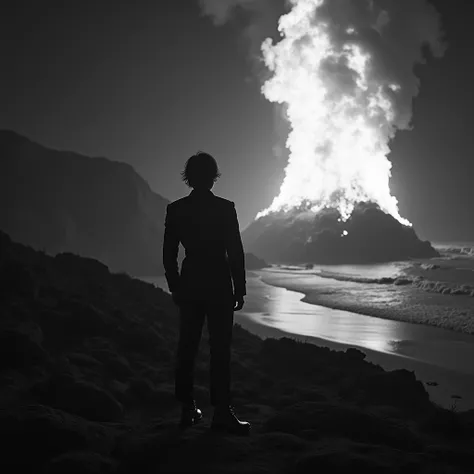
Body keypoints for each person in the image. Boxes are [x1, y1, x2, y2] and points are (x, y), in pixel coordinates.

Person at [163, 151, 250, 435]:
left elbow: (169, 254)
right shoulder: (225, 208)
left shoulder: (176, 209)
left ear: (189, 177)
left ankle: (188, 408)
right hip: (219, 283)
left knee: (187, 346)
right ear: (213, 177)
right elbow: (235, 251)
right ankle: (221, 412)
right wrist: (240, 287)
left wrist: (175, 285)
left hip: (190, 282)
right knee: (220, 349)